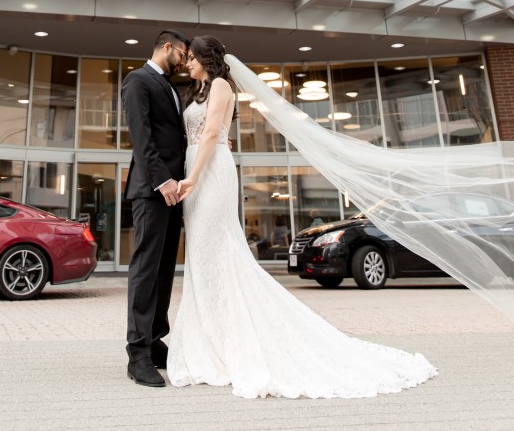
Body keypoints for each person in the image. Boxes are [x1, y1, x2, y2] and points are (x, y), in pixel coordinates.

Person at [166, 36, 437, 400]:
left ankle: (232, 338)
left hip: (209, 172)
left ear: (208, 59)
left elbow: (213, 134)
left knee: (221, 251)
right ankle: (211, 337)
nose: (188, 64)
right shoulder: (196, 90)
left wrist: (194, 177)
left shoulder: (219, 85)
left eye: (193, 58)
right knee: (203, 256)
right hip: (195, 169)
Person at [121, 29, 189, 388]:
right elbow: (142, 135)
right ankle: (137, 354)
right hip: (153, 191)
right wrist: (162, 180)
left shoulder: (171, 87)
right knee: (145, 270)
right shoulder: (137, 80)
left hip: (174, 192)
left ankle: (154, 338)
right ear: (167, 47)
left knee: (164, 270)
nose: (185, 61)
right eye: (183, 54)